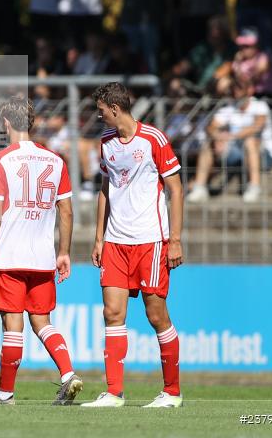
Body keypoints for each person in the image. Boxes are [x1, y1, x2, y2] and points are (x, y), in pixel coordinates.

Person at [82, 82, 184, 408]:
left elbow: (176, 190)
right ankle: (114, 393)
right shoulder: (106, 142)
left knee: (156, 315)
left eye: (101, 110)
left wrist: (176, 241)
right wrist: (98, 238)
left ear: (114, 108)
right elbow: (104, 189)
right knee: (112, 313)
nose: (99, 116)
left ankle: (172, 392)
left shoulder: (154, 138)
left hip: (151, 240)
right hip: (115, 241)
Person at [0, 97, 83, 405]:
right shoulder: (55, 160)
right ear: (33, 123)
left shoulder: (1, 160)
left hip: (10, 254)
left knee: (13, 324)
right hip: (42, 256)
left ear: (6, 124)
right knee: (43, 322)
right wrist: (63, 251)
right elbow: (66, 210)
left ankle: (6, 394)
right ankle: (68, 374)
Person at [186, 79, 272, 204]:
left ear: (249, 91)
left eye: (239, 89)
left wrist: (229, 136)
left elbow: (257, 126)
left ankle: (254, 187)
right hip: (236, 154)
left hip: (264, 155)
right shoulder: (230, 108)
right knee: (208, 145)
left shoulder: (260, 105)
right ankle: (199, 188)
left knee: (251, 141)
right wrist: (218, 137)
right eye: (234, 90)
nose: (236, 93)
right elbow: (211, 127)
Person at [231, 28, 272, 95]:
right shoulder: (238, 60)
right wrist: (238, 62)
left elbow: (256, 77)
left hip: (264, 95)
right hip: (246, 96)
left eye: (247, 46)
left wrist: (245, 81)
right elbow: (238, 81)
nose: (243, 49)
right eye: (242, 46)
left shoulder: (263, 57)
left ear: (256, 46)